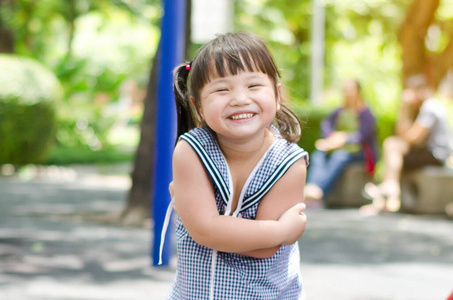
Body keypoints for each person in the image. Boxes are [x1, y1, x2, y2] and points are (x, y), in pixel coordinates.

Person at [162, 32, 309, 299]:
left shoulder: (289, 162)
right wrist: (279, 231)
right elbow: (205, 230)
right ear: (199, 107)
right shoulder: (191, 150)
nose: (240, 98)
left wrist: (205, 224)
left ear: (276, 95)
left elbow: (265, 249)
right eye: (222, 89)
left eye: (253, 86)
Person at [361, 74, 453, 215]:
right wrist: (404, 109)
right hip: (425, 152)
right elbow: (402, 136)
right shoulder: (420, 109)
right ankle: (386, 194)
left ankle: (388, 191)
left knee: (392, 146)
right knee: (392, 147)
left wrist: (404, 107)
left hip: (437, 155)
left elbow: (411, 139)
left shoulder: (431, 106)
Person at [303, 79, 377, 204]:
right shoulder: (339, 111)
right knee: (318, 154)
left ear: (357, 91)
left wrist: (345, 139)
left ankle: (320, 192)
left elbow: (364, 135)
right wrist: (332, 137)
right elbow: (326, 126)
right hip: (337, 146)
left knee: (339, 157)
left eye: (350, 90)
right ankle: (312, 186)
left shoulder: (365, 113)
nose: (347, 93)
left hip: (358, 151)